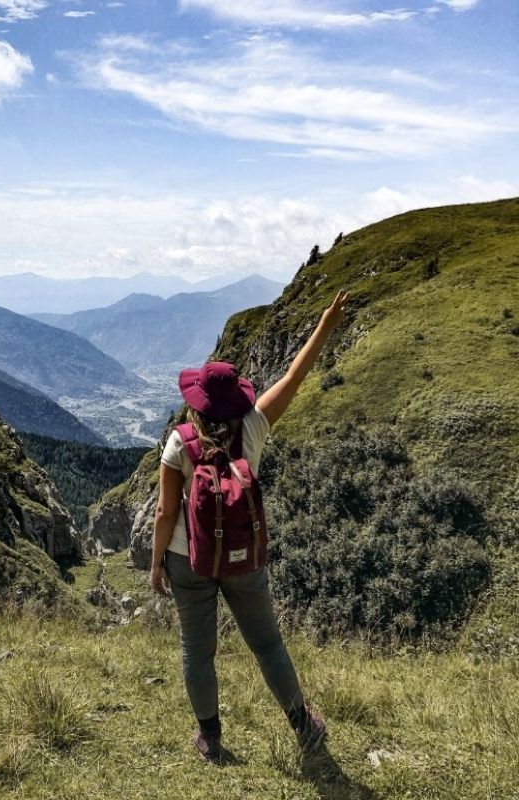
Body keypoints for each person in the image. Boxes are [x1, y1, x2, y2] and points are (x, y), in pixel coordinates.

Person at [149, 290, 349, 763]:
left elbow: (164, 514)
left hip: (188, 559)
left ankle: (211, 740)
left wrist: (157, 565)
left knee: (197, 651)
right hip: (243, 555)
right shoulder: (254, 426)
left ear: (196, 401)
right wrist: (324, 325)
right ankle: (303, 726)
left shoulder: (179, 443)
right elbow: (295, 375)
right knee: (266, 643)